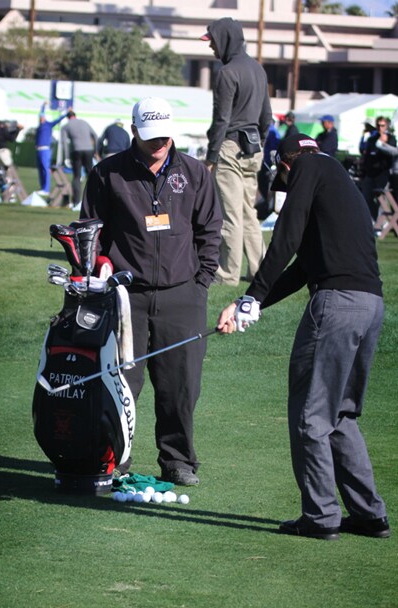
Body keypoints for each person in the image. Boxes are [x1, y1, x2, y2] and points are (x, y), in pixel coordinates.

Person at [217, 133, 390, 541]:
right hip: (370, 306)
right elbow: (300, 268)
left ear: (286, 165)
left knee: (311, 416)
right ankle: (369, 515)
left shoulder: (307, 168)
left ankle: (321, 516)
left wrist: (252, 296)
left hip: (337, 307)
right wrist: (251, 302)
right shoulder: (336, 178)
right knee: (340, 415)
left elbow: (286, 235)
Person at [80, 96, 222, 486]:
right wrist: (96, 281)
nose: (159, 142)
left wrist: (201, 283)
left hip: (183, 294)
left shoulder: (195, 172)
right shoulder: (107, 173)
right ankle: (113, 458)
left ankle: (178, 460)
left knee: (181, 384)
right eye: (150, 135)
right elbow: (90, 232)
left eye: (164, 134)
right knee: (121, 382)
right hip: (126, 296)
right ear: (133, 131)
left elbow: (211, 230)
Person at [201, 17, 272, 286]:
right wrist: (260, 144)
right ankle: (259, 270)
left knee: (229, 213)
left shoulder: (227, 73)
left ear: (225, 39)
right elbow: (267, 117)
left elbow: (221, 119)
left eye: (213, 41)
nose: (211, 47)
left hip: (230, 147)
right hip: (253, 149)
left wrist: (211, 157)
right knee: (248, 212)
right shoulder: (258, 70)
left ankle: (227, 273)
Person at [360, 116, 397, 221]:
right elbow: (366, 153)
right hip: (370, 172)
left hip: (382, 173)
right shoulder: (372, 139)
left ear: (387, 126)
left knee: (381, 199)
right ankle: (373, 219)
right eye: (378, 125)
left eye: (382, 125)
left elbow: (391, 153)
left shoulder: (391, 139)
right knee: (366, 197)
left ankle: (381, 222)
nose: (380, 128)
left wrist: (382, 143)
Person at [61, 109, 98, 206]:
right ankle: (94, 199)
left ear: (68, 118)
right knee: (91, 175)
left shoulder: (65, 126)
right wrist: (95, 150)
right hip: (89, 150)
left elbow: (64, 143)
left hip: (76, 150)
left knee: (77, 176)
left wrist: (66, 157)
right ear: (75, 115)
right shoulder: (84, 122)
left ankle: (76, 202)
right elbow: (95, 135)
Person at [35, 102, 69, 196]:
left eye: (42, 117)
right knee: (40, 169)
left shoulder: (48, 124)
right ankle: (42, 188)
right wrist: (43, 106)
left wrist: (67, 112)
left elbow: (59, 119)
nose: (41, 118)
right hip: (38, 150)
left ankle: (46, 189)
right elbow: (41, 113)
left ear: (44, 118)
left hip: (45, 150)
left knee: (45, 169)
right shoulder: (39, 127)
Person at [0, 120, 24, 192]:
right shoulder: (3, 130)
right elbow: (11, 139)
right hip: (2, 152)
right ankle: (10, 190)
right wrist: (18, 129)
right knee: (9, 171)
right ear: (2, 125)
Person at [257, 117, 281, 218]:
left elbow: (274, 148)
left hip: (268, 164)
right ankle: (266, 207)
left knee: (267, 187)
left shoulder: (271, 132)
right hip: (265, 162)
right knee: (264, 186)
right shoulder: (269, 131)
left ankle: (268, 208)